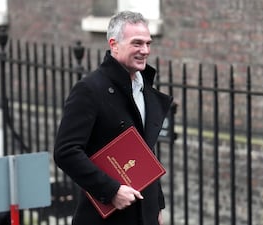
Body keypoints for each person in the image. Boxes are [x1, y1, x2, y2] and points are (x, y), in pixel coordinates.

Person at [54, 11, 173, 225]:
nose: (145, 50)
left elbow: (146, 153)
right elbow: (66, 152)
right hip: (104, 217)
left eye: (148, 43)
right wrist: (111, 191)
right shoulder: (89, 89)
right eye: (137, 43)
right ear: (114, 44)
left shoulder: (144, 88)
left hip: (144, 214)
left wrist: (157, 206)